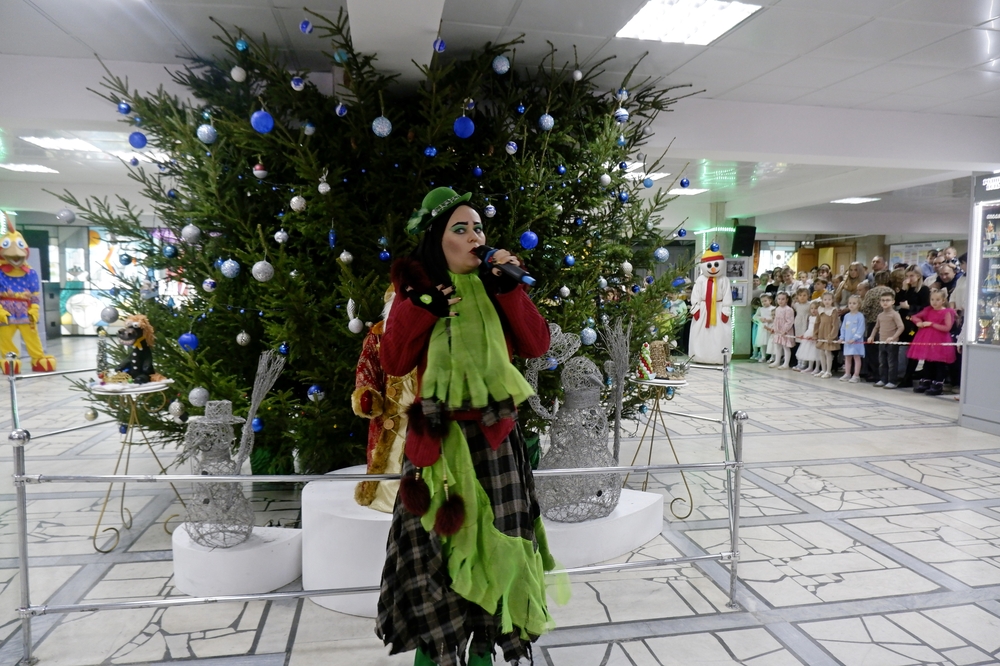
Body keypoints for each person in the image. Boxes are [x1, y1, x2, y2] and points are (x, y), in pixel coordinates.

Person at [377, 187, 556, 666]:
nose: (475, 236)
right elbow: (393, 361)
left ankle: (482, 655)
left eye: (478, 227)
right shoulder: (419, 294)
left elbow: (537, 344)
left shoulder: (497, 287)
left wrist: (510, 289)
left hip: (495, 443)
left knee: (499, 551)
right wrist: (422, 307)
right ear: (438, 241)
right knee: (434, 559)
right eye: (461, 229)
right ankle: (435, 654)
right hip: (436, 448)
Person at [908, 289, 957, 396]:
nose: (934, 302)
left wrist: (931, 324)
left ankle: (938, 383)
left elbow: (947, 328)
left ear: (943, 300)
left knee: (939, 363)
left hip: (940, 340)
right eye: (932, 299)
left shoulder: (947, 312)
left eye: (937, 300)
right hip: (927, 339)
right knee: (928, 361)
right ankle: (926, 380)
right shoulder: (928, 310)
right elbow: (915, 316)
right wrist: (918, 322)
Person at [896, 266, 930, 388]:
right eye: (907, 276)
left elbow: (925, 307)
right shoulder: (907, 290)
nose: (909, 278)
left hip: (914, 324)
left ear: (918, 276)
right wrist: (902, 290)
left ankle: (908, 376)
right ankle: (901, 373)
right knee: (903, 348)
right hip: (903, 322)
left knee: (912, 349)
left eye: (911, 276)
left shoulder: (924, 290)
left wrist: (909, 307)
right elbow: (897, 301)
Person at [868, 292, 904, 388]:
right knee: (882, 362)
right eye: (883, 300)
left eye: (887, 300)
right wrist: (871, 336)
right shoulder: (880, 315)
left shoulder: (895, 314)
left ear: (893, 302)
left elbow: (901, 327)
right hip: (882, 342)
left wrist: (893, 337)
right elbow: (876, 327)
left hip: (892, 343)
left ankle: (892, 381)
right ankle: (883, 379)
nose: (885, 302)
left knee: (892, 363)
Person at [839, 295, 866, 383]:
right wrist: (842, 337)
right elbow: (843, 328)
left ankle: (856, 375)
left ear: (859, 305)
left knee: (856, 357)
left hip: (856, 342)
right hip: (847, 341)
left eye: (854, 303)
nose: (851, 305)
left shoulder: (860, 316)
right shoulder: (846, 316)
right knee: (847, 357)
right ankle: (847, 374)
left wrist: (855, 338)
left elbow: (861, 329)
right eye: (850, 303)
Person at [814, 292, 841, 379]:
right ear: (822, 300)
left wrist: (832, 336)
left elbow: (835, 325)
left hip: (829, 333)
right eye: (825, 299)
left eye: (829, 299)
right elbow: (817, 322)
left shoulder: (833, 311)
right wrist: (815, 333)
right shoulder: (820, 310)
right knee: (821, 352)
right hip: (821, 333)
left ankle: (828, 371)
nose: (827, 301)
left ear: (832, 300)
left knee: (827, 352)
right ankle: (823, 370)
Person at [769, 291, 795, 369]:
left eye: (783, 299)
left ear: (787, 300)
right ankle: (777, 361)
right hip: (778, 331)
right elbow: (776, 320)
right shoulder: (777, 309)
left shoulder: (789, 309)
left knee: (786, 347)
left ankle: (786, 363)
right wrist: (774, 328)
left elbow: (789, 321)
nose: (780, 301)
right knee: (778, 346)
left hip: (785, 332)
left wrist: (784, 330)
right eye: (779, 299)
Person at [791, 287, 811, 370]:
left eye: (804, 295)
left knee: (805, 344)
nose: (802, 297)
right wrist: (795, 299)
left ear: (808, 296)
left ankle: (804, 363)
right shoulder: (796, 305)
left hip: (806, 324)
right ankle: (799, 362)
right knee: (799, 344)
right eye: (800, 295)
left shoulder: (809, 305)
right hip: (798, 324)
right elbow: (792, 303)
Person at [797, 301, 819, 375]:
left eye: (816, 308)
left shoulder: (819, 318)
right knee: (810, 352)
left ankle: (817, 368)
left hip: (815, 335)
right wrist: (804, 335)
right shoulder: (810, 317)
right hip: (808, 334)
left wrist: (814, 335)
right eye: (812, 308)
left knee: (816, 352)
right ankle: (810, 367)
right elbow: (809, 327)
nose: (813, 310)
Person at [753, 293, 774, 363]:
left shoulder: (773, 308)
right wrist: (760, 318)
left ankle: (772, 356)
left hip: (770, 326)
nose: (764, 303)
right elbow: (755, 316)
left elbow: (776, 317)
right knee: (762, 343)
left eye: (765, 301)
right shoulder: (760, 309)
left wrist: (770, 319)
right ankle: (763, 356)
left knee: (771, 342)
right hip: (762, 327)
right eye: (762, 301)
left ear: (770, 300)